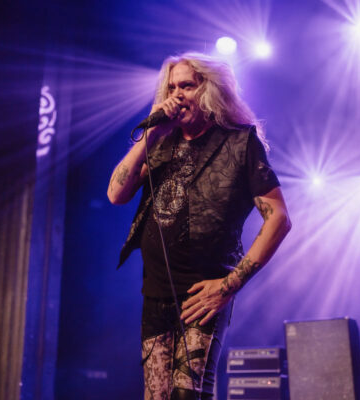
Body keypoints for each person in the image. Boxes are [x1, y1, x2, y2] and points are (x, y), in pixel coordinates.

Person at [107, 52, 291, 400]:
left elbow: (279, 218)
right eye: (171, 88)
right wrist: (149, 135)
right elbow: (116, 194)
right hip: (155, 293)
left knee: (187, 395)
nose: (177, 95)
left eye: (187, 86)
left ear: (209, 89)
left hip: (202, 295)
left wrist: (229, 284)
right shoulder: (160, 142)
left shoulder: (240, 142)